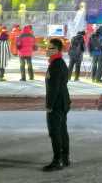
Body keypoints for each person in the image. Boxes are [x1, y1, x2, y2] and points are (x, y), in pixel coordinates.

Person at [43, 38, 71, 172]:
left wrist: (49, 105)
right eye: (47, 47)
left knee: (55, 132)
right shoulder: (59, 62)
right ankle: (64, 158)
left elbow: (54, 88)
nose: (47, 50)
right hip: (63, 101)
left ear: (57, 50)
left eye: (50, 48)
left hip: (57, 103)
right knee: (62, 131)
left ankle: (57, 160)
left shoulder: (56, 65)